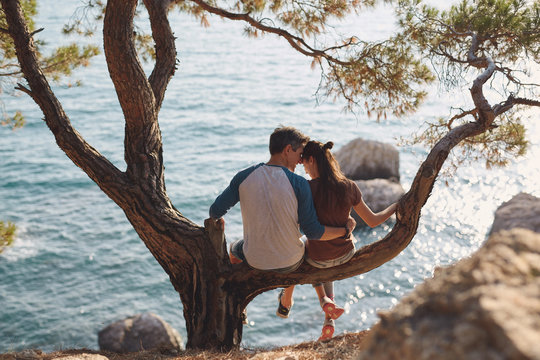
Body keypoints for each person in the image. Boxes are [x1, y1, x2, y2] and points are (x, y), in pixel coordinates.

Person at [277, 140, 397, 341]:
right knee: (325, 257)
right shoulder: (349, 186)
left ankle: (310, 301)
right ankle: (329, 319)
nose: (304, 169)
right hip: (345, 254)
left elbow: (295, 226)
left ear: (312, 160)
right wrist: (395, 206)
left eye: (305, 164)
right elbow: (373, 220)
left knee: (307, 250)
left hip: (318, 258)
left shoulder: (306, 188)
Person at [208, 126, 355, 274]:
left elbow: (215, 211)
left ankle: (236, 280)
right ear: (288, 150)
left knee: (234, 248)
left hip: (255, 261)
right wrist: (345, 230)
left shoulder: (243, 177)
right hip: (290, 262)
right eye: (300, 153)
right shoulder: (299, 183)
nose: (300, 161)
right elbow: (313, 232)